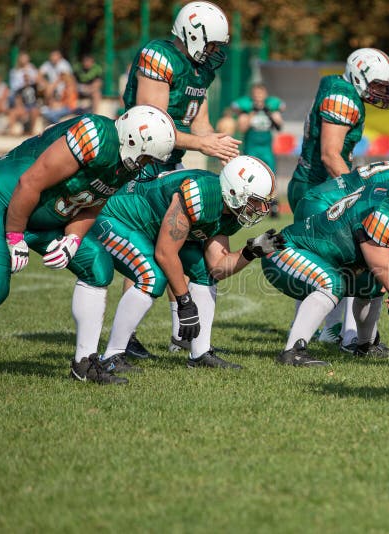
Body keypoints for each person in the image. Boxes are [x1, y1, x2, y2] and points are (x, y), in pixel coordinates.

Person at [0, 105, 177, 385]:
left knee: (97, 266)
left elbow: (92, 202)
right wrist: (14, 236)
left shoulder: (124, 162)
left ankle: (84, 364)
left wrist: (72, 239)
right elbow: (30, 183)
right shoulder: (94, 136)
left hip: (47, 214)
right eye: (146, 157)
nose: (145, 164)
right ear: (133, 139)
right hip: (2, 199)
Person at [121, 1, 241, 359]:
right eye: (213, 44)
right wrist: (201, 142)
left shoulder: (201, 70)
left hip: (169, 162)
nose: (216, 52)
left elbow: (198, 121)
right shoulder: (159, 57)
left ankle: (183, 334)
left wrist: (216, 144)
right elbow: (149, 124)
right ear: (191, 34)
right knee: (143, 247)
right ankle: (125, 338)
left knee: (179, 245)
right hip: (138, 160)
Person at [90, 156, 282, 377]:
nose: (261, 208)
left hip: (152, 229)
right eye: (256, 200)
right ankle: (112, 355)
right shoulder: (201, 194)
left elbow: (217, 267)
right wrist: (184, 302)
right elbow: (165, 253)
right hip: (120, 217)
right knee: (152, 277)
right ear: (234, 192)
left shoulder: (230, 212)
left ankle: (200, 354)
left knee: (203, 273)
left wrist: (250, 252)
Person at [262, 174, 389, 366]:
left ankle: (365, 345)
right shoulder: (382, 216)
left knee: (373, 282)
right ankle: (293, 351)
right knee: (333, 283)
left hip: (312, 255)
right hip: (284, 252)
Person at [287, 47, 389, 349]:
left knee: (336, 262)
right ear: (359, 76)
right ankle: (342, 335)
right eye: (377, 84)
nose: (382, 92)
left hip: (318, 186)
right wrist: (356, 195)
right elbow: (330, 154)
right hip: (317, 190)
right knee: (348, 260)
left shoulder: (341, 88)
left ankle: (334, 332)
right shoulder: (343, 98)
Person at [232, 82, 285, 217]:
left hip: (266, 148)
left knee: (271, 175)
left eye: (260, 93)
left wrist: (268, 112)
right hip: (252, 147)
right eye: (256, 93)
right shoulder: (247, 108)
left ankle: (273, 206)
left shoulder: (271, 106)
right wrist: (252, 113)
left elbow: (279, 125)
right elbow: (242, 128)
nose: (258, 96)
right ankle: (248, 205)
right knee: (248, 178)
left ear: (265, 94)